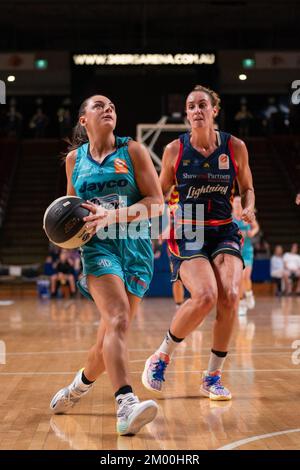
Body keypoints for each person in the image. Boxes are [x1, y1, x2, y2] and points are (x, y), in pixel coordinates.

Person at [49, 95, 164, 435]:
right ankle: (126, 403)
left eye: (112, 105)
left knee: (108, 338)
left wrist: (111, 215)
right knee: (117, 317)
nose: (108, 109)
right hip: (99, 250)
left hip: (137, 249)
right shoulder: (74, 160)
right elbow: (71, 207)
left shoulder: (134, 151)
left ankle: (77, 388)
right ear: (83, 120)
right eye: (98, 106)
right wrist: (66, 235)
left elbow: (157, 203)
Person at [142, 84, 255, 400]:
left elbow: (247, 187)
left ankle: (212, 377)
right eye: (191, 106)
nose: (196, 110)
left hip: (223, 230)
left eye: (202, 105)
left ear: (214, 110)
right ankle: (161, 356)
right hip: (187, 231)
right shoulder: (174, 151)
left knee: (230, 295)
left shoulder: (235, 147)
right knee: (205, 296)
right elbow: (159, 192)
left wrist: (247, 206)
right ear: (187, 113)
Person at [232, 195, 259, 315]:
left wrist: (251, 232)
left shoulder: (247, 216)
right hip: (235, 251)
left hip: (247, 250)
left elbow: (256, 227)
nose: (237, 205)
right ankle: (241, 303)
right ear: (232, 205)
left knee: (246, 277)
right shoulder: (229, 218)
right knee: (239, 278)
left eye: (239, 203)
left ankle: (249, 293)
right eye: (236, 203)